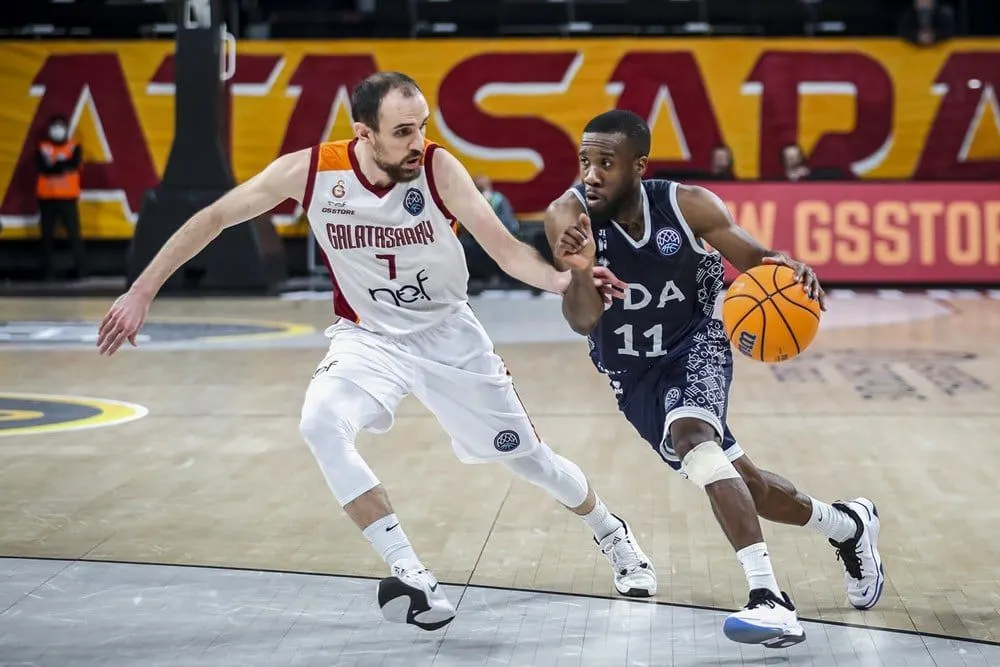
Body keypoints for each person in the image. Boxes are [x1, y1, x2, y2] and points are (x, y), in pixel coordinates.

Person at [95, 73, 657, 631]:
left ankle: (611, 532)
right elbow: (215, 217)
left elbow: (508, 251)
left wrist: (566, 282)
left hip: (448, 335)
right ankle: (410, 571)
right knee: (320, 422)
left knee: (528, 460)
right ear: (363, 133)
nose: (419, 142)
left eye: (423, 127)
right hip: (368, 337)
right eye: (403, 131)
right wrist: (143, 290)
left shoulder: (438, 169)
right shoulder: (312, 170)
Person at [544, 110, 884, 648]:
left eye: (605, 163)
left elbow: (756, 261)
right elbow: (582, 319)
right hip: (632, 374)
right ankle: (847, 526)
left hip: (695, 342)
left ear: (638, 165)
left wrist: (787, 266)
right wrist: (583, 270)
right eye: (584, 161)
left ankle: (769, 598)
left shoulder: (688, 205)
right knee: (747, 486)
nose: (590, 174)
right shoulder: (568, 216)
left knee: (695, 441)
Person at [36, 114, 86, 280]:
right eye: (54, 126)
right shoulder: (42, 147)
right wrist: (61, 167)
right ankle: (46, 272)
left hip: (68, 198)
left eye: (61, 126)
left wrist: (55, 166)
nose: (57, 130)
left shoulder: (74, 147)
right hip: (47, 199)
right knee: (46, 237)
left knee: (74, 236)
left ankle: (81, 270)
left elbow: (73, 164)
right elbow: (42, 168)